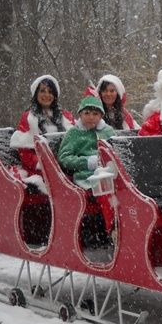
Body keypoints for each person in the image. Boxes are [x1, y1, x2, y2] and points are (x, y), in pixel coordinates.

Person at [58, 94, 116, 233]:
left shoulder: (107, 131)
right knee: (106, 194)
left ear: (101, 116)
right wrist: (87, 162)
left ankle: (127, 226)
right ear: (80, 114)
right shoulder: (74, 133)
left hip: (109, 174)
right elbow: (64, 158)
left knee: (125, 193)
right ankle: (113, 230)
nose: (91, 117)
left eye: (95, 113)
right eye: (87, 113)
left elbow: (115, 151)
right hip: (88, 177)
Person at [10, 74, 74, 181]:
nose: (46, 95)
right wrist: (44, 164)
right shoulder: (29, 118)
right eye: (42, 91)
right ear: (36, 94)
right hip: (41, 169)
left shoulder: (65, 116)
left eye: (50, 92)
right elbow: (25, 152)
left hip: (65, 165)